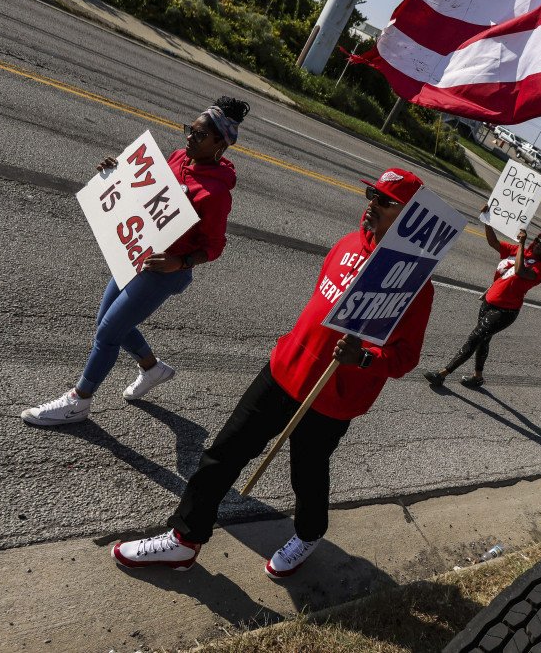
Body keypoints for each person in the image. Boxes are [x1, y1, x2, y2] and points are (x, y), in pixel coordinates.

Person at [112, 169, 434, 578]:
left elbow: (405, 358)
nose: (370, 203)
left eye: (384, 200)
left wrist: (365, 358)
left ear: (409, 218)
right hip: (285, 371)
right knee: (223, 452)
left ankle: (309, 533)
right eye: (371, 193)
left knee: (307, 472)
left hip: (331, 396)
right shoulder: (347, 244)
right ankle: (183, 541)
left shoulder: (416, 286)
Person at [21, 97, 250, 427]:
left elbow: (214, 247)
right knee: (107, 321)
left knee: (108, 333)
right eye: (190, 129)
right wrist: (117, 175)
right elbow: (145, 193)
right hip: (136, 252)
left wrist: (180, 262)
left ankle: (79, 401)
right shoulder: (177, 158)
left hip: (163, 272)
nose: (188, 137)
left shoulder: (216, 194)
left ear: (219, 144)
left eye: (198, 135)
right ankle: (151, 367)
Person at [424, 207, 541, 388]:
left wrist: (522, 245)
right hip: (489, 301)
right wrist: (487, 221)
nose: (539, 244)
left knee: (474, 338)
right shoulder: (519, 251)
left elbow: (519, 271)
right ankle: (477, 377)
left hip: (506, 311)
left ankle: (442, 373)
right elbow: (494, 243)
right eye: (538, 240)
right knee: (483, 340)